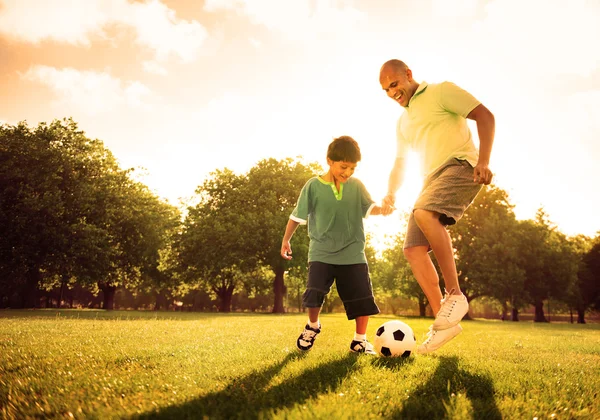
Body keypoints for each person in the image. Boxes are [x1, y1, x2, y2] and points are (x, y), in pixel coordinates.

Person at [379, 59, 495, 354]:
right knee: (412, 250)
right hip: (430, 179)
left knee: (423, 212)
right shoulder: (402, 122)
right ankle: (443, 323)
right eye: (386, 90)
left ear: (408, 75)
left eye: (395, 84)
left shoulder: (442, 91)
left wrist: (483, 161)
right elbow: (400, 162)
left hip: (460, 166)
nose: (393, 92)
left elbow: (485, 116)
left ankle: (455, 295)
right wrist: (391, 192)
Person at [281, 135, 387, 354]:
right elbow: (296, 216)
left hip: (352, 252)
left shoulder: (356, 186)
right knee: (314, 292)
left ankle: (359, 340)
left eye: (352, 168)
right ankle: (312, 326)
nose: (347, 172)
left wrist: (383, 209)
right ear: (330, 160)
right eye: (344, 166)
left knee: (362, 297)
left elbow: (369, 208)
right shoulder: (313, 186)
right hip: (321, 250)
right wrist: (286, 239)